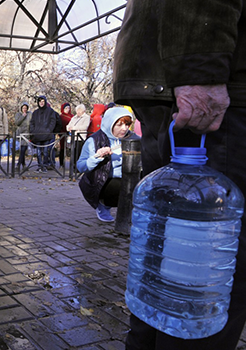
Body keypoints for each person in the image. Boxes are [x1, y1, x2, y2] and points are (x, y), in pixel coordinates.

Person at [114, 0, 246, 349]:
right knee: (205, 279)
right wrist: (199, 70)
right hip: (217, 90)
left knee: (159, 271)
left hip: (183, 79)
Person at [76, 107, 137, 222]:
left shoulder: (133, 138)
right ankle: (103, 204)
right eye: (119, 125)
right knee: (119, 185)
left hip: (127, 178)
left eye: (127, 124)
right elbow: (80, 166)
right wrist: (96, 157)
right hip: (103, 181)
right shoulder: (94, 140)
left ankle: (130, 211)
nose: (124, 129)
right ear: (110, 123)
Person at [29, 96, 59, 173]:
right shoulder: (35, 112)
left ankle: (44, 166)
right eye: (40, 102)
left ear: (45, 102)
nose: (41, 103)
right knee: (38, 152)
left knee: (46, 151)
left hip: (47, 135)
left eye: (43, 101)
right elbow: (32, 122)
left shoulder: (50, 111)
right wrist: (33, 131)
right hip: (37, 135)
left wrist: (49, 130)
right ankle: (39, 166)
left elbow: (53, 121)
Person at [14, 102, 31, 170]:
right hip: (20, 134)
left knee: (23, 149)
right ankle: (23, 164)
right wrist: (23, 116)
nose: (25, 109)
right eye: (23, 108)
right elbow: (17, 123)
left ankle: (18, 164)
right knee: (22, 150)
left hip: (27, 134)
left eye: (26, 108)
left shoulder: (30, 114)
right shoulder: (18, 114)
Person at [58, 103, 73, 168]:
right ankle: (61, 163)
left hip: (70, 134)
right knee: (62, 149)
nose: (67, 110)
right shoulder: (61, 117)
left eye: (68, 108)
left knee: (71, 149)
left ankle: (72, 164)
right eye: (66, 108)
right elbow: (59, 125)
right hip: (63, 134)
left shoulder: (72, 116)